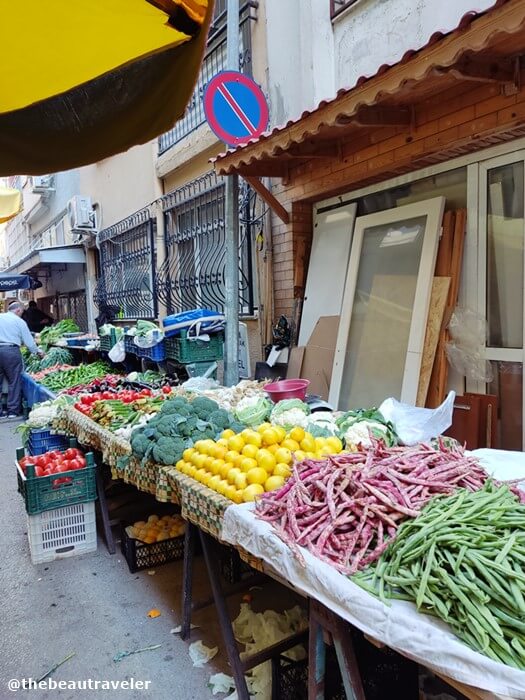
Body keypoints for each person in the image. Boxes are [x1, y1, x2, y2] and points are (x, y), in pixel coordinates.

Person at [0, 301, 45, 419]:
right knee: (14, 381)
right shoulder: (19, 321)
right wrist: (37, 352)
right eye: (22, 312)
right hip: (10, 351)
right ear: (18, 310)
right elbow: (29, 341)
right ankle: (12, 411)